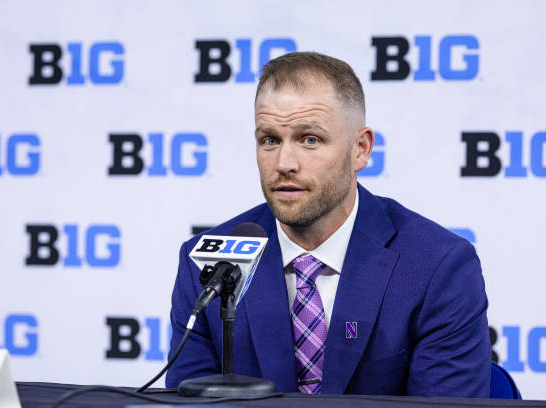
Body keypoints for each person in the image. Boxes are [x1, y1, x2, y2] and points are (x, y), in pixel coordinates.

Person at [165, 52, 490, 397]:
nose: (284, 163)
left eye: (310, 140)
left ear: (360, 150)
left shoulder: (437, 266)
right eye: (270, 140)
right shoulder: (208, 263)